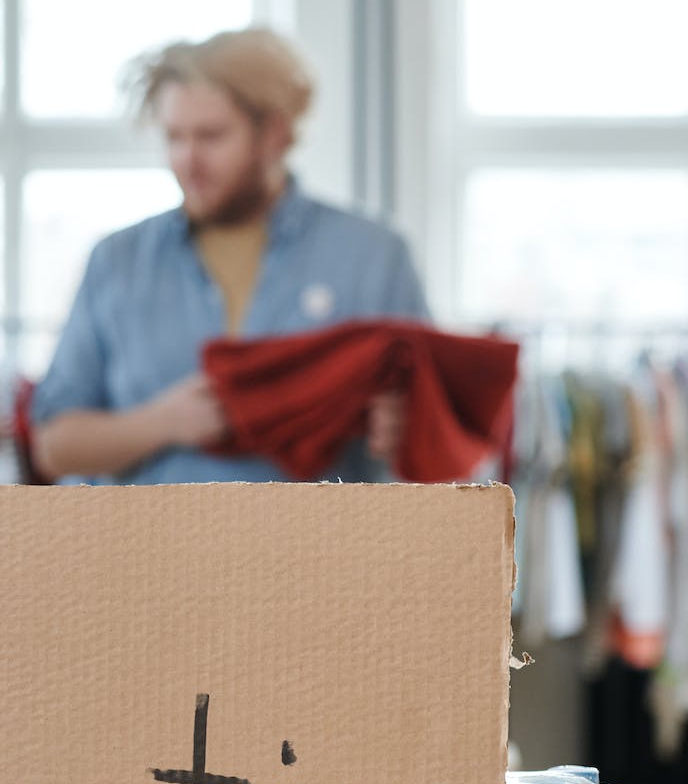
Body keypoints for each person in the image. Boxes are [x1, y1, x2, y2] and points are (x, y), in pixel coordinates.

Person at [30, 28, 428, 484]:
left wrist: (407, 429)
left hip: (325, 551)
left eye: (211, 137)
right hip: (147, 552)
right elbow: (54, 445)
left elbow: (440, 437)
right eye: (174, 137)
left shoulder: (374, 258)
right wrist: (163, 422)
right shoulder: (117, 262)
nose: (187, 159)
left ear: (275, 133)